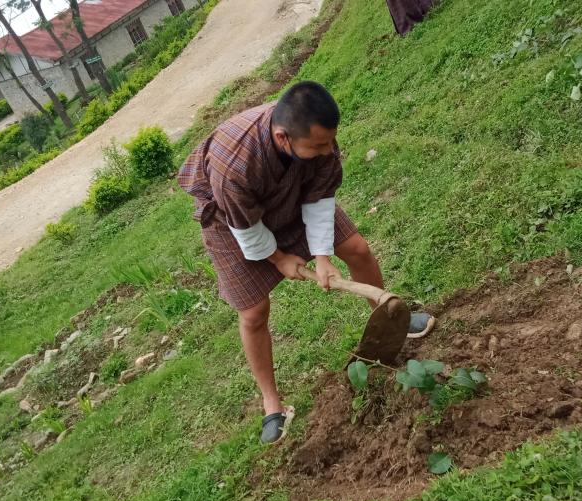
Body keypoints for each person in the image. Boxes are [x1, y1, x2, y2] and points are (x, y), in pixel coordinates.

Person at [179, 81, 434, 444]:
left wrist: (322, 256)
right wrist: (280, 258)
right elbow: (246, 226)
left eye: (329, 141)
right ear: (283, 138)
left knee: (357, 249)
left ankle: (391, 321)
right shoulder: (234, 164)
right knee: (253, 312)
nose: (329, 150)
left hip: (294, 192)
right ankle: (272, 404)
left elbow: (318, 197)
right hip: (233, 221)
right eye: (318, 146)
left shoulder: (317, 139)